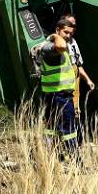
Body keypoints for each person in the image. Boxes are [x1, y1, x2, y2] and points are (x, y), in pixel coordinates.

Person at [40, 18, 78, 157]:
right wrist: (54, 36)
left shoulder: (54, 47)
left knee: (52, 129)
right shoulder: (49, 47)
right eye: (65, 32)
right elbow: (61, 46)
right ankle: (75, 161)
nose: (68, 36)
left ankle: (50, 158)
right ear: (57, 29)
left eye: (71, 33)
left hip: (56, 95)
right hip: (59, 96)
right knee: (69, 131)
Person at [60, 14, 95, 115]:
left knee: (76, 112)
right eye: (69, 24)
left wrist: (88, 80)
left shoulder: (73, 42)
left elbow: (78, 65)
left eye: (74, 25)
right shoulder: (56, 43)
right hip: (63, 90)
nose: (72, 28)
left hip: (74, 89)